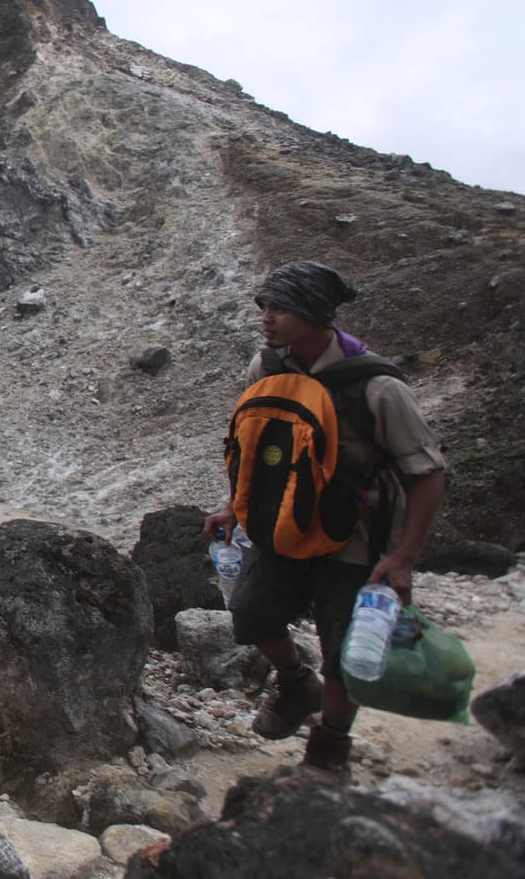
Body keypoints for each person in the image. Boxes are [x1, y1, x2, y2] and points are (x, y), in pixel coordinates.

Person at [204, 261, 447, 779]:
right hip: (283, 527)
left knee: (345, 651)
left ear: (315, 314)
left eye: (280, 308)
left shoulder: (377, 388)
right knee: (252, 616)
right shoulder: (267, 369)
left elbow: (425, 473)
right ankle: (295, 683)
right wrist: (233, 504)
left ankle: (330, 745)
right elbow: (250, 444)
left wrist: (403, 557)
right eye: (264, 307)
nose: (267, 318)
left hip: (354, 541)